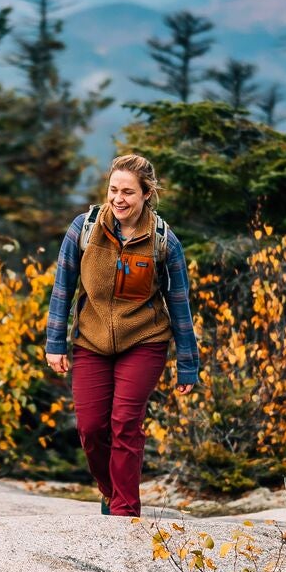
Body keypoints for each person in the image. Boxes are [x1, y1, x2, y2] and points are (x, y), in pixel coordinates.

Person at [43, 154, 199, 517]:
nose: (119, 199)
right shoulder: (84, 228)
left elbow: (179, 305)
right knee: (91, 427)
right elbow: (62, 288)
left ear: (147, 194)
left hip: (144, 341)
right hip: (91, 341)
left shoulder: (163, 242)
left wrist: (187, 364)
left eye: (128, 192)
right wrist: (55, 343)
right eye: (113, 190)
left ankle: (125, 512)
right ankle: (110, 491)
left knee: (125, 423)